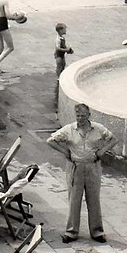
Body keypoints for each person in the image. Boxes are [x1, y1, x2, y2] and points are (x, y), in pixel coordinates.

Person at [47, 103, 118, 243]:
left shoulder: (98, 129)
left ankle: (97, 232)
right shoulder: (69, 130)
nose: (80, 118)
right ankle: (71, 231)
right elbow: (51, 140)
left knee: (94, 199)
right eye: (78, 116)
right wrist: (65, 151)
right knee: (74, 200)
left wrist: (102, 151)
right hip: (75, 167)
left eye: (83, 116)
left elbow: (113, 139)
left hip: (93, 166)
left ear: (89, 115)